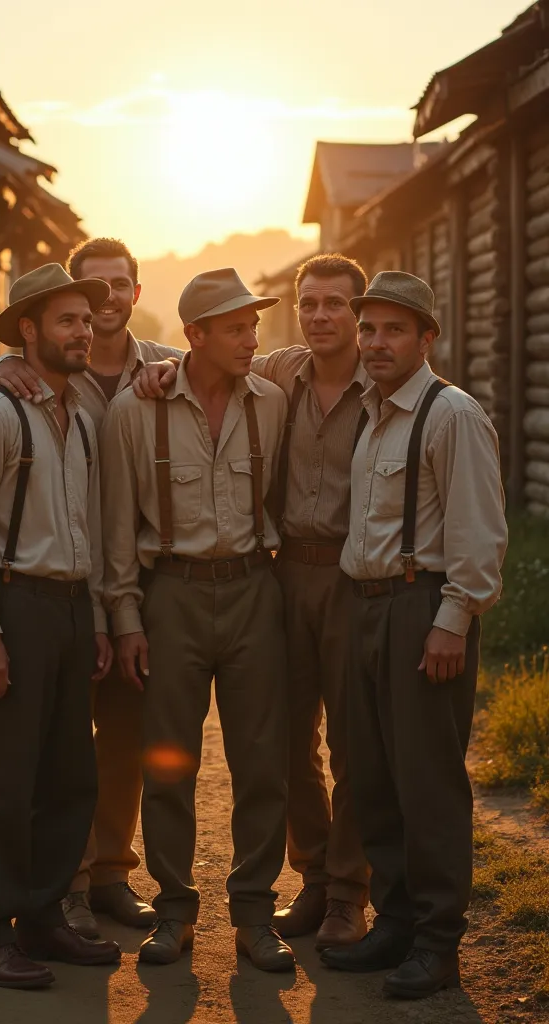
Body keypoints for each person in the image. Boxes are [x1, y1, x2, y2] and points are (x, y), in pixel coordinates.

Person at [132, 253, 372, 949]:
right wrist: (163, 368)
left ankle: (333, 898)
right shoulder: (278, 374)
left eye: (337, 304)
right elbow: (168, 356)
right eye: (311, 303)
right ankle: (294, 883)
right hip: (252, 577)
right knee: (273, 747)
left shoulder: (372, 384)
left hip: (331, 578)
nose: (321, 315)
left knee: (327, 746)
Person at [320, 271, 507, 1000]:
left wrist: (453, 619)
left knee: (427, 781)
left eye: (393, 329)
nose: (374, 342)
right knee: (371, 774)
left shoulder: (449, 413)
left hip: (421, 607)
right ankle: (394, 921)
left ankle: (437, 942)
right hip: (364, 605)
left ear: (428, 338)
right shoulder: (373, 412)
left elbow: (479, 532)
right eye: (368, 329)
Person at [101, 268, 295, 972]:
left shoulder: (272, 402)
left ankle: (254, 915)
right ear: (195, 337)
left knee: (261, 760)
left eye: (254, 325)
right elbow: (118, 528)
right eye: (237, 327)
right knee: (168, 763)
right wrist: (126, 617)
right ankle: (174, 912)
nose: (253, 338)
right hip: (170, 595)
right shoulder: (134, 410)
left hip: (252, 589)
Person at [0, 238, 184, 937]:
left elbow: (249, 370)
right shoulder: (39, 379)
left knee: (126, 733)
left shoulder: (167, 367)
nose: (107, 299)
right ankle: (62, 885)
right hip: (69, 579)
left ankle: (109, 876)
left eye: (120, 285)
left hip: (138, 582)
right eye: (92, 288)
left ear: (133, 293)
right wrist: (4, 360)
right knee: (64, 739)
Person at [0, 264, 121, 990]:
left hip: (73, 607)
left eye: (88, 320)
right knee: (4, 780)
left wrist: (101, 620)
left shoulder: (78, 412)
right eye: (68, 321)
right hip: (13, 606)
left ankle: (43, 916)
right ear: (28, 330)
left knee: (70, 775)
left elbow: (89, 529)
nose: (84, 332)